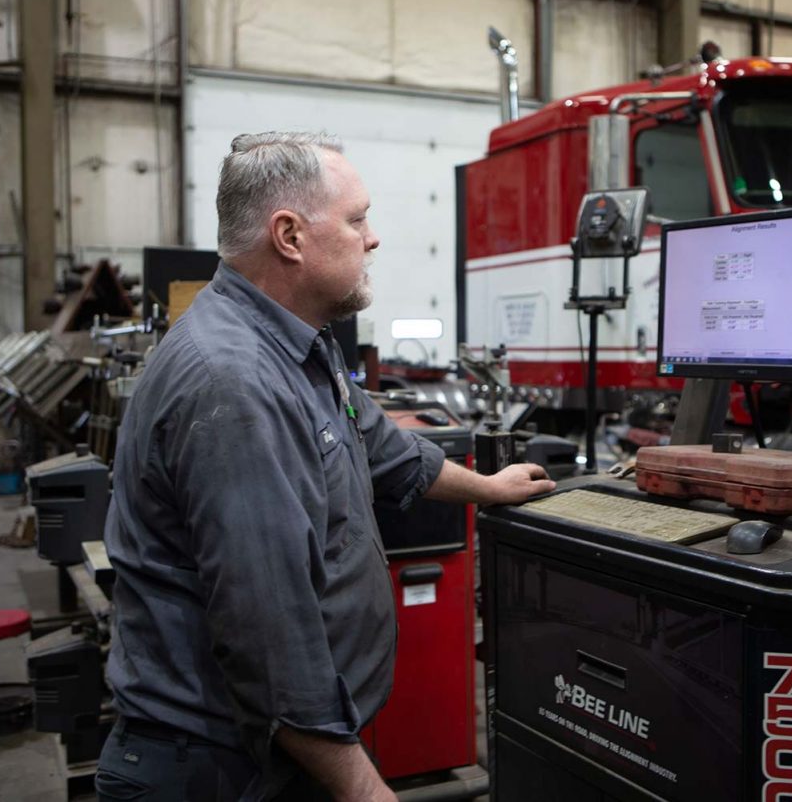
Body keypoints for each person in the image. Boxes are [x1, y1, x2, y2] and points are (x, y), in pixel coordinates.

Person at [97, 131, 555, 801]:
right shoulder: (236, 382)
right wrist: (364, 790)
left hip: (281, 750)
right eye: (356, 218)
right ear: (290, 236)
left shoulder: (296, 345)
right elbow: (268, 630)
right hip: (221, 765)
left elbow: (382, 448)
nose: (372, 239)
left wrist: (487, 488)